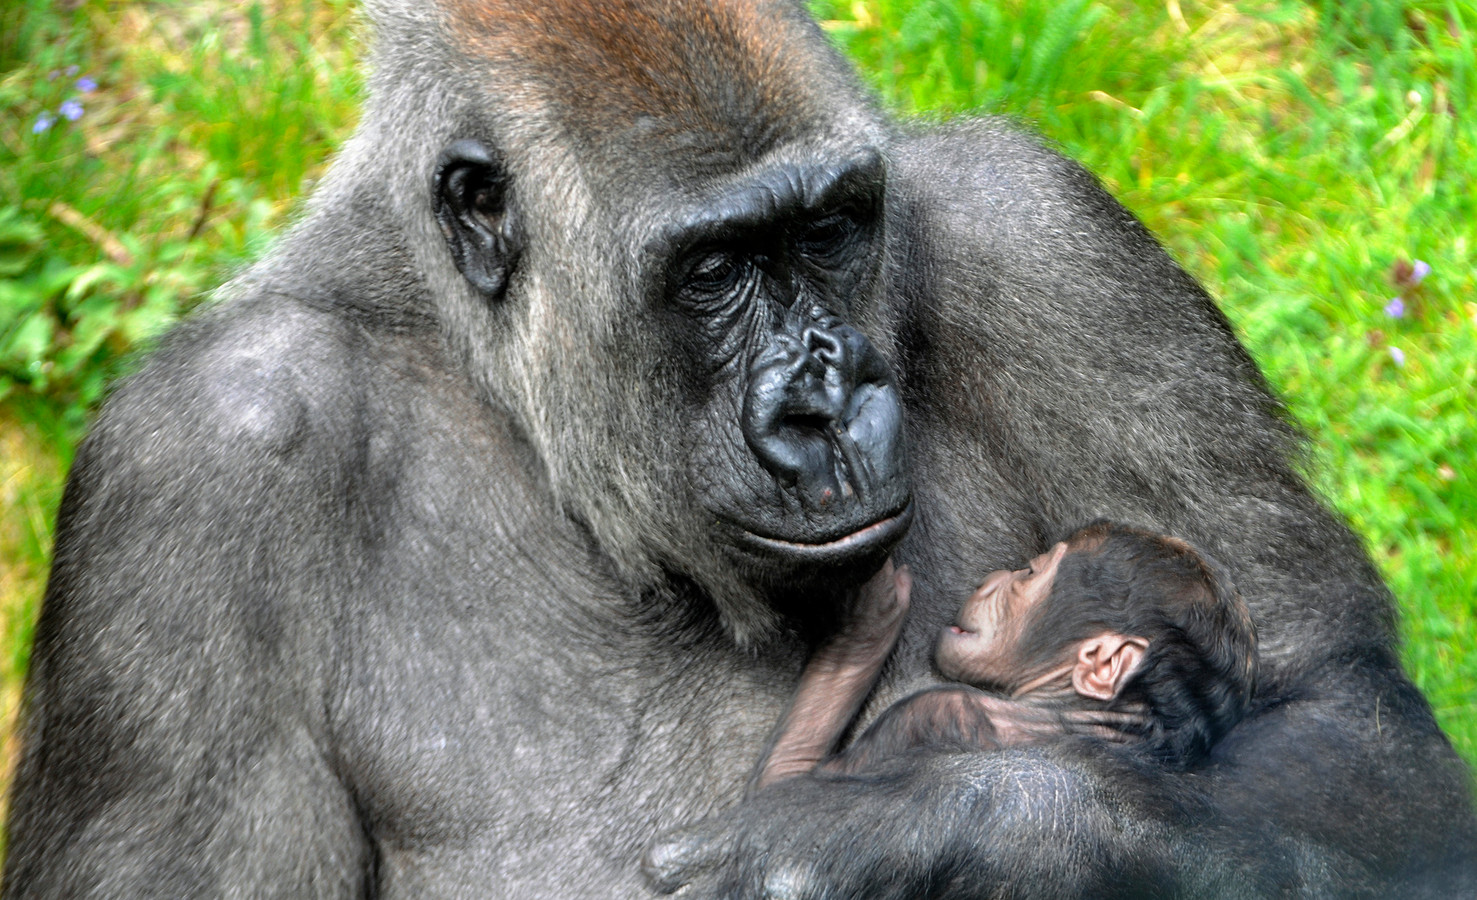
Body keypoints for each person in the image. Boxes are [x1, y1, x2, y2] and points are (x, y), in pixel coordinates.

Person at [752, 521, 1258, 791]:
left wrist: (853, 649)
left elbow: (771, 835)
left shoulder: (958, 725)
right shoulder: (1169, 803)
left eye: (1029, 575)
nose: (993, 580)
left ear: (1103, 664)